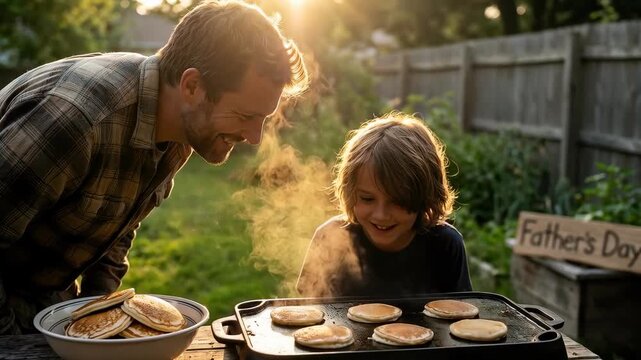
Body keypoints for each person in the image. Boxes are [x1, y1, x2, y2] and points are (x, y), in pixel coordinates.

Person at [0, 0, 308, 335]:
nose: (253, 137)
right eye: (245, 116)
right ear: (192, 86)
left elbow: (116, 227)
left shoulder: (179, 131)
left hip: (48, 301)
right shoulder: (76, 119)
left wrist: (100, 322)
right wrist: (13, 340)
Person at [296, 113, 471, 298]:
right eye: (367, 199)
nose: (381, 215)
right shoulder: (330, 238)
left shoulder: (445, 245)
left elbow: (460, 316)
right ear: (350, 192)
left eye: (397, 201)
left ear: (425, 196)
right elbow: (308, 313)